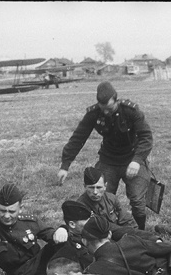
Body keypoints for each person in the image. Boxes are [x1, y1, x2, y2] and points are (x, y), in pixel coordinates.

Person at [57, 81, 153, 230]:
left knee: (137, 199)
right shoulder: (94, 114)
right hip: (109, 160)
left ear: (116, 100)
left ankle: (141, 233)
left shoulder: (131, 111)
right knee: (100, 198)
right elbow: (78, 138)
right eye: (103, 109)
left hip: (132, 158)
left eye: (109, 108)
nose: (106, 112)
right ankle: (105, 232)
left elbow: (146, 137)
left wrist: (137, 160)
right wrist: (65, 165)